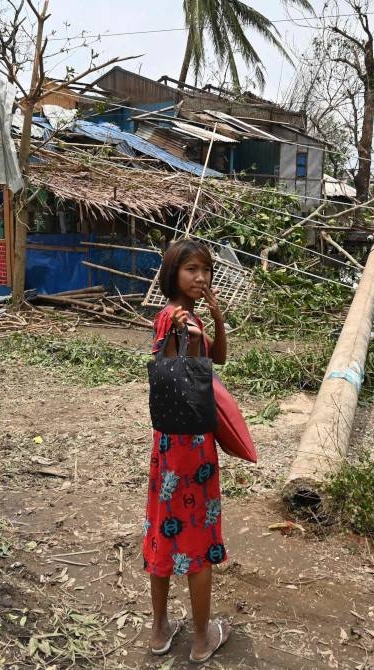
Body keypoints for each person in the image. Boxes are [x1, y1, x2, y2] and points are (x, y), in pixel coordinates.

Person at [143, 238, 231, 664]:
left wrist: (215, 315)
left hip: (165, 442)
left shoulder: (169, 317)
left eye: (205, 270)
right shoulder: (183, 321)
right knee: (198, 537)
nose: (201, 278)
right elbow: (207, 368)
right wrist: (198, 329)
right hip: (193, 444)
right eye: (192, 270)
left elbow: (217, 358)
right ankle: (200, 639)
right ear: (173, 273)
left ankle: (159, 631)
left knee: (163, 529)